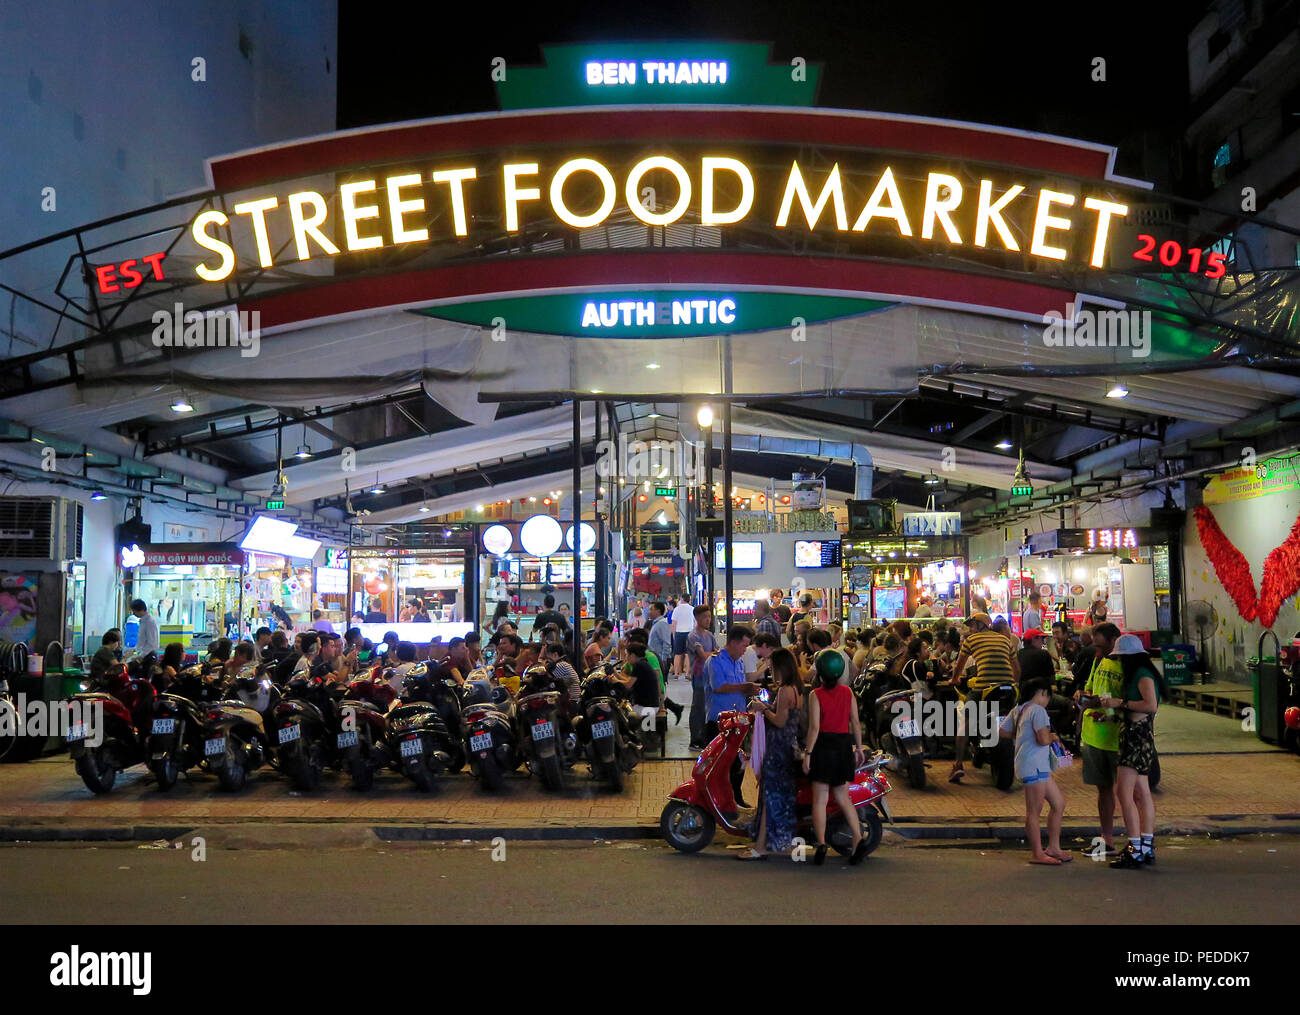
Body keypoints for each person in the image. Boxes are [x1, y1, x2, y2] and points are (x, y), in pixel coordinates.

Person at [1101, 634, 1167, 869]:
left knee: (1124, 793)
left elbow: (1150, 705)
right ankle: (1146, 846)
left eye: (1120, 658)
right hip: (1139, 735)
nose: (1118, 661)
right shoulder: (1141, 673)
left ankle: (1135, 847)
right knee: (1141, 792)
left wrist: (1121, 703)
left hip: (1135, 736)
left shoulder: (1142, 675)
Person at [801, 649, 868, 865]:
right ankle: (858, 837)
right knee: (842, 797)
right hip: (842, 745)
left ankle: (821, 843)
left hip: (822, 746)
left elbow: (814, 728)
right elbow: (855, 723)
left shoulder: (815, 695)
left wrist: (808, 754)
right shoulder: (848, 693)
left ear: (819, 672)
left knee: (819, 799)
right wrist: (858, 748)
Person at [738, 647, 802, 861]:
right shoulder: (796, 689)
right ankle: (776, 842)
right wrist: (766, 707)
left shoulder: (785, 690)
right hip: (786, 748)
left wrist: (762, 709)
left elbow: (780, 721)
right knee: (779, 798)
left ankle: (761, 846)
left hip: (778, 750)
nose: (771, 672)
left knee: (769, 797)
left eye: (772, 667)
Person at [946, 612, 1020, 784]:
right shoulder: (1005, 640)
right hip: (1009, 690)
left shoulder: (971, 641)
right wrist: (1013, 683)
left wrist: (954, 679)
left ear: (981, 625)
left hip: (984, 689)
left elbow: (959, 665)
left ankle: (958, 764)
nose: (970, 628)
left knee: (965, 720)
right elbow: (1017, 670)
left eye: (972, 625)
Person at [1004, 677, 1070, 864]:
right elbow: (1042, 739)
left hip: (1035, 765)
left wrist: (1022, 737)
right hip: (1034, 764)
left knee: (1058, 803)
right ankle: (1037, 853)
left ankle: (1054, 848)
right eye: (1048, 695)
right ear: (1042, 693)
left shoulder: (1019, 709)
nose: (1048, 700)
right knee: (1034, 811)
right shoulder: (1038, 710)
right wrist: (1053, 736)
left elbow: (1002, 731)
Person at [1076, 622, 1124, 855]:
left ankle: (1142, 840)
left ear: (1115, 639)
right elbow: (1092, 688)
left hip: (1120, 738)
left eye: (1102, 645)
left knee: (1130, 793)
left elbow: (1136, 701)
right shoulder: (1098, 659)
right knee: (1103, 791)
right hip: (1095, 736)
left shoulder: (1129, 664)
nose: (1099, 650)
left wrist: (1107, 708)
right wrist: (1084, 696)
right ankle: (1107, 840)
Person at [703, 625, 759, 807]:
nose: (745, 651)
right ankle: (717, 799)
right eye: (744, 646)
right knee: (720, 765)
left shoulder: (739, 662)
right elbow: (718, 686)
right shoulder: (716, 660)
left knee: (739, 761)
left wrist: (750, 691)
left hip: (738, 722)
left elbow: (739, 688)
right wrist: (744, 687)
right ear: (733, 643)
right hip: (719, 722)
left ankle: (736, 797)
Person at [686, 604, 718, 750]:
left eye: (710, 617)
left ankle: (705, 737)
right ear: (697, 618)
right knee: (698, 708)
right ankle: (695, 739)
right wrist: (712, 653)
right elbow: (704, 656)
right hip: (699, 677)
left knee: (707, 708)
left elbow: (715, 653)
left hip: (710, 678)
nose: (708, 620)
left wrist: (711, 653)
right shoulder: (693, 636)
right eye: (705, 617)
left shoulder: (709, 635)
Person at [1017, 628, 1055, 694]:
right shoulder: (1043, 654)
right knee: (1066, 702)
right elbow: (1051, 679)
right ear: (1034, 639)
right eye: (1042, 639)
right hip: (1039, 695)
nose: (1043, 642)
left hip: (1021, 694)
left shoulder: (1018, 654)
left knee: (994, 702)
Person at [647, 601, 674, 678]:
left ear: (658, 611)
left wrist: (664, 660)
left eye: (651, 609)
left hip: (660, 660)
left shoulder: (662, 624)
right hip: (656, 659)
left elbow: (666, 642)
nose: (649, 612)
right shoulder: (656, 623)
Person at [670, 597, 696, 676]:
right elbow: (695, 623)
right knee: (688, 654)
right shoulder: (692, 609)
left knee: (677, 654)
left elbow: (673, 623)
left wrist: (674, 634)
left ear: (682, 599)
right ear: (689, 600)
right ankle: (688, 673)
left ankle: (676, 673)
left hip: (679, 632)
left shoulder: (677, 609)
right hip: (689, 633)